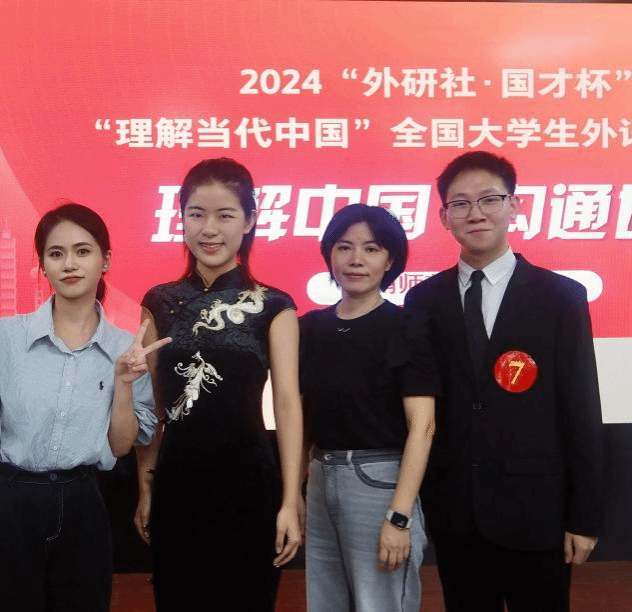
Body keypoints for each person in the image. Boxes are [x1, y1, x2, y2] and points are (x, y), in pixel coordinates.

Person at [404, 151, 604, 612]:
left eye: (489, 199)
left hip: (538, 513)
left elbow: (581, 409)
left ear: (514, 205)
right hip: (456, 513)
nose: (475, 213)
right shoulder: (424, 301)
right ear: (444, 217)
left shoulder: (561, 297)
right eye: (460, 203)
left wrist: (585, 516)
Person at [134, 157, 303, 612]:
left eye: (225, 215)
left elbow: (288, 403)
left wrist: (291, 500)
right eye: (196, 214)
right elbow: (153, 408)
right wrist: (146, 488)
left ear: (249, 220)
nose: (209, 229)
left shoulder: (275, 305)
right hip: (177, 486)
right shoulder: (159, 302)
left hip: (250, 486)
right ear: (181, 218)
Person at [0, 203, 165, 612]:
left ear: (105, 260)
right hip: (12, 501)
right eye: (56, 253)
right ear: (42, 265)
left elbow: (122, 446)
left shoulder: (125, 348)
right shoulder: (8, 338)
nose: (69, 264)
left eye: (83, 251)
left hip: (83, 502)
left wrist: (123, 383)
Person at [299, 204, 438, 612]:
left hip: (379, 482)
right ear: (330, 254)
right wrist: (296, 491)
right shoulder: (310, 327)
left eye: (371, 249)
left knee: (380, 604)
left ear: (390, 260)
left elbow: (423, 427)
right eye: (344, 247)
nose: (356, 259)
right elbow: (302, 416)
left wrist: (399, 516)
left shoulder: (406, 326)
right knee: (325, 603)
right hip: (320, 476)